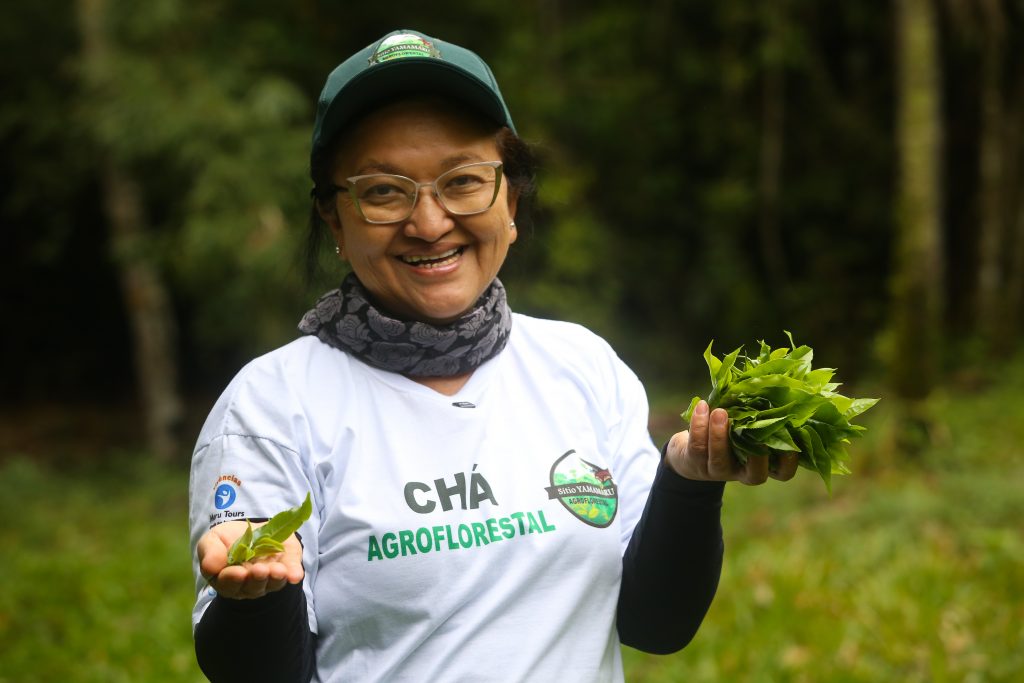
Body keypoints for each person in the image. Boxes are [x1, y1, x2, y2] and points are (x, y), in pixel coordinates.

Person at [189, 28, 798, 683]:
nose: (429, 223)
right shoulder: (272, 404)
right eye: (384, 191)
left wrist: (689, 480)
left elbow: (655, 623)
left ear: (510, 199)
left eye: (462, 181)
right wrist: (256, 592)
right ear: (335, 220)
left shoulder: (581, 366)